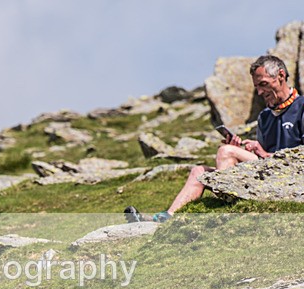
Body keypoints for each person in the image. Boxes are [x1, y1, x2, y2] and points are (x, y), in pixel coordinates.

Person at [125, 55, 304, 223]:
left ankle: (224, 209)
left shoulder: (301, 106)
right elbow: (261, 157)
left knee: (226, 152)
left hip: (290, 176)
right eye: (257, 87)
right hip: (266, 171)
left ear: (281, 75)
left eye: (263, 84)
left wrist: (260, 153)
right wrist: (244, 148)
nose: (259, 92)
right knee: (199, 172)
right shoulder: (265, 116)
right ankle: (165, 218)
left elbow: (298, 158)